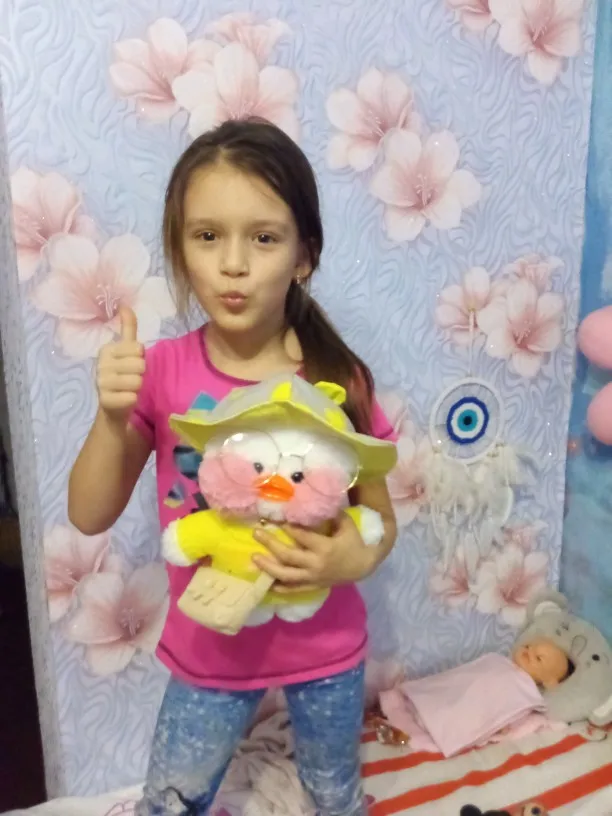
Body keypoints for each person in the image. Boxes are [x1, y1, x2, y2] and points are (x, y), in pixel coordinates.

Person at [68, 118, 397, 816]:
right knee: (170, 803)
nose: (234, 264)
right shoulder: (160, 373)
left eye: (265, 238)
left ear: (304, 256)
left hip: (328, 648)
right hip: (210, 650)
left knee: (337, 798)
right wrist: (109, 417)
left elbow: (380, 520)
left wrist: (352, 557)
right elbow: (88, 514)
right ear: (180, 248)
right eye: (208, 235)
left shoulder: (340, 379)